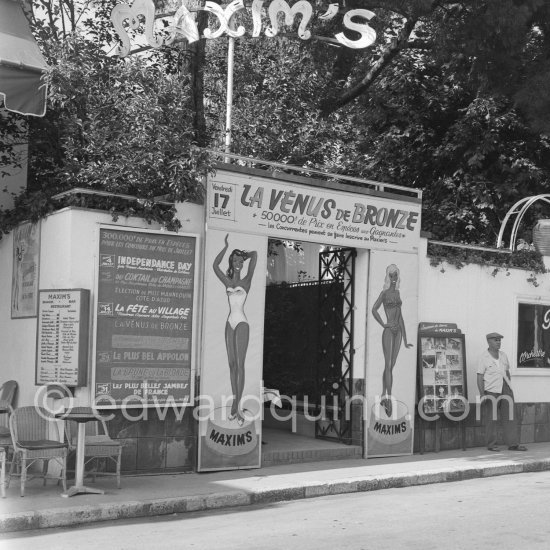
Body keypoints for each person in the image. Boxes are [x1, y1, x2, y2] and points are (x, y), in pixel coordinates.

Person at [213, 234, 257, 426]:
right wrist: (226, 247)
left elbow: (255, 255)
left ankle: (236, 407)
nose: (238, 263)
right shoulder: (227, 281)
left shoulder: (247, 280)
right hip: (229, 322)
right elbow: (215, 266)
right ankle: (235, 403)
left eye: (240, 261)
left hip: (241, 323)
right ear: (231, 262)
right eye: (235, 260)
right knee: (231, 365)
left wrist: (244, 255)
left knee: (240, 364)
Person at [371, 264, 413, 417]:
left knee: (391, 366)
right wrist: (383, 324)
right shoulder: (384, 293)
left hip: (399, 332)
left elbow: (401, 317)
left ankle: (383, 394)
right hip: (388, 330)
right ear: (387, 277)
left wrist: (406, 339)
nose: (393, 278)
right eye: (391, 275)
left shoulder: (399, 293)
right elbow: (374, 309)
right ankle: (388, 399)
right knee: (388, 365)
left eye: (396, 275)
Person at [477, 332, 527, 452]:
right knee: (491, 418)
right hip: (491, 390)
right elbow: (479, 377)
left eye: (499, 340)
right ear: (489, 341)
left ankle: (513, 444)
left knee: (510, 417)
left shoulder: (503, 355)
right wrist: (482, 394)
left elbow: (507, 372)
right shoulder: (483, 357)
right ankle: (491, 445)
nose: (498, 342)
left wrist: (509, 386)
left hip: (505, 389)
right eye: (496, 340)